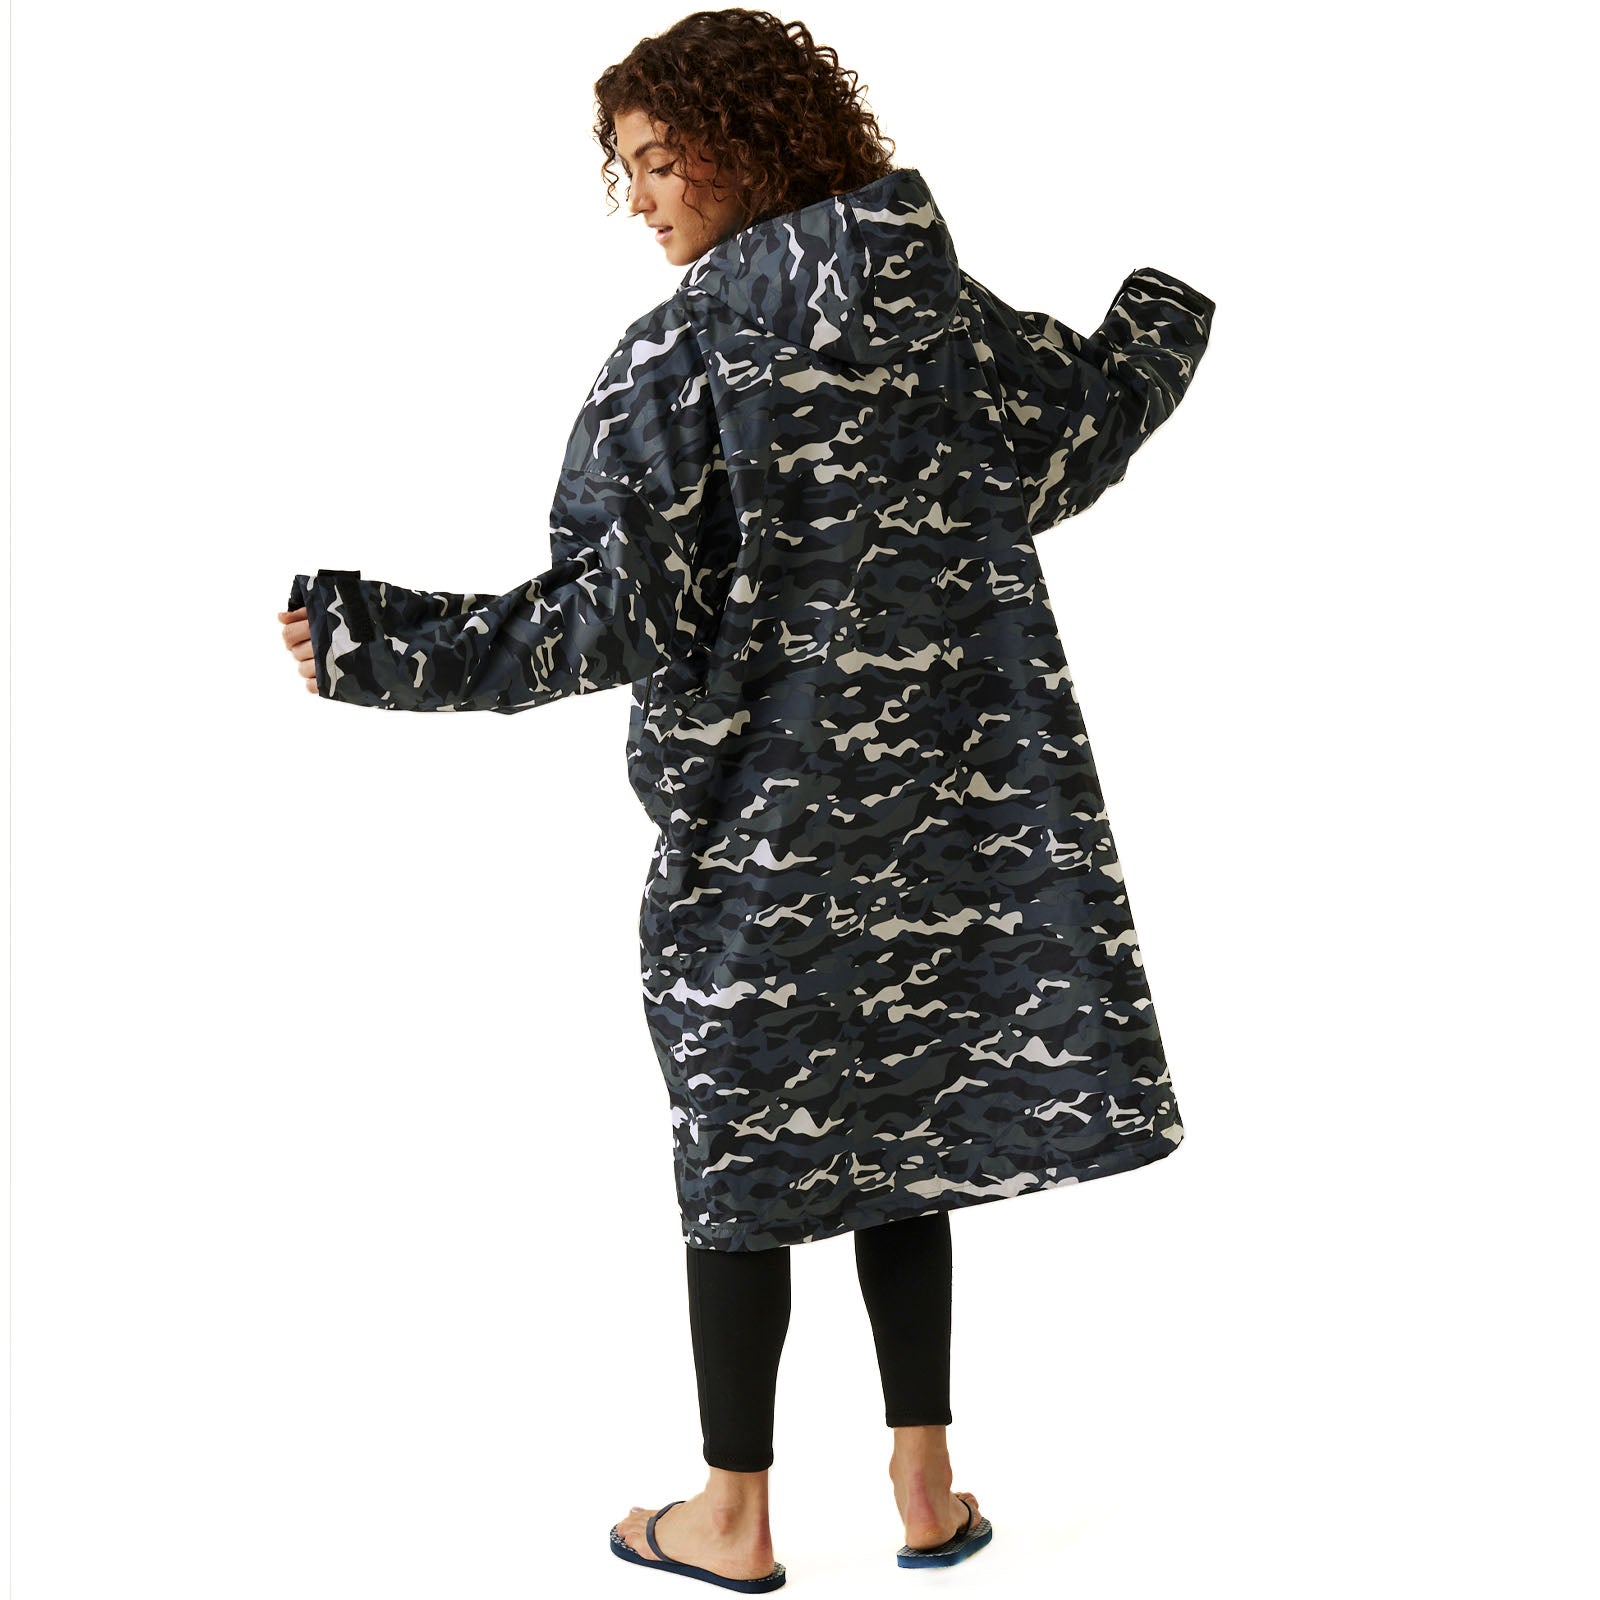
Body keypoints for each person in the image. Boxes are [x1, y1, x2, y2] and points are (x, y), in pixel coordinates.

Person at [278, 8, 1214, 1588]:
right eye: (627, 171)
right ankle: (926, 1487)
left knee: (745, 1158)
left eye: (662, 160)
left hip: (762, 847)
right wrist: (1161, 318)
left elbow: (600, 620)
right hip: (953, 832)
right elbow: (1071, 431)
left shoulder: (681, 360)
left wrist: (374, 644)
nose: (643, 199)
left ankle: (734, 1514)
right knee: (904, 1122)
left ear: (747, 142)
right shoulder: (938, 317)